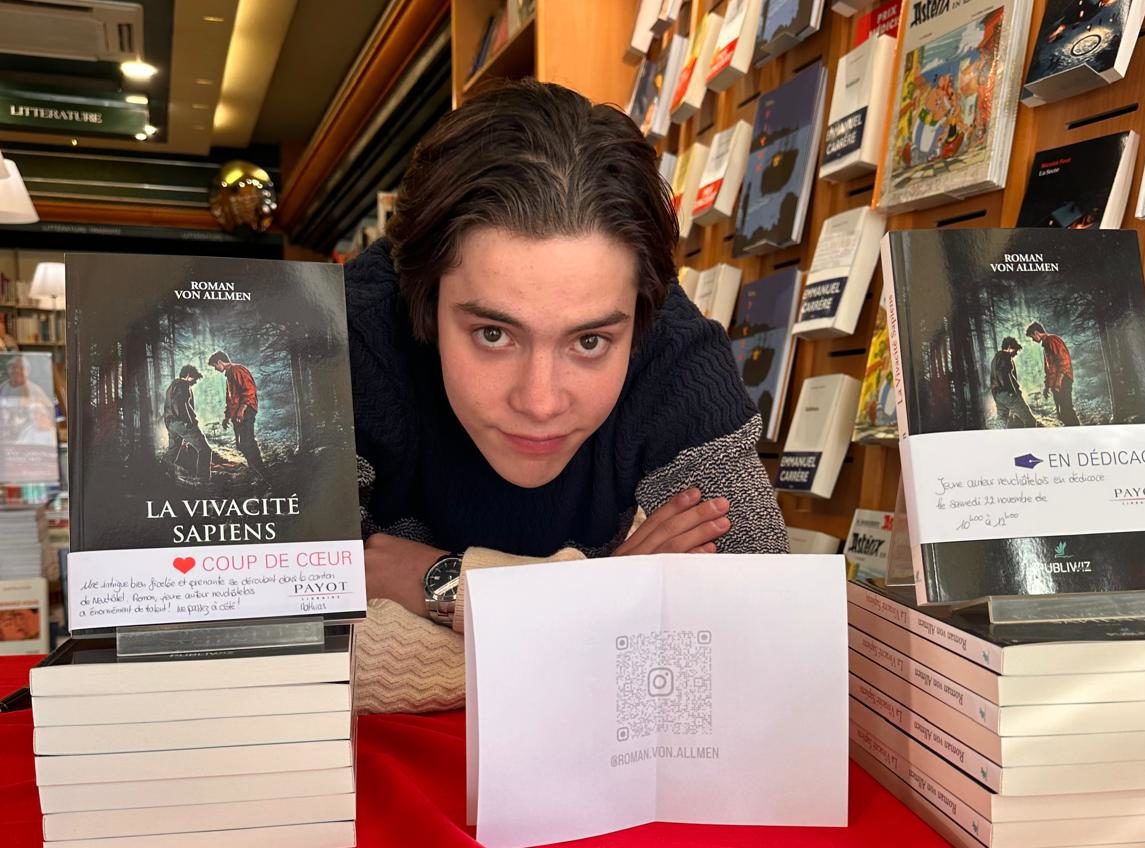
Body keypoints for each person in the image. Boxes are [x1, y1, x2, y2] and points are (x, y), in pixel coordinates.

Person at [347, 80, 788, 713]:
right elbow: (304, 648)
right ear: (424, 298)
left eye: (589, 342)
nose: (541, 402)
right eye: (493, 334)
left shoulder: (676, 355)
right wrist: (618, 600)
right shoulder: (349, 337)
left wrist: (446, 583)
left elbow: (760, 636)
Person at [207, 351, 268, 482]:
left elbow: (249, 391)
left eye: (214, 366)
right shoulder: (229, 375)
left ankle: (262, 473)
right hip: (238, 414)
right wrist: (227, 417)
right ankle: (255, 471)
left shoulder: (237, 370)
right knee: (241, 445)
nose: (215, 369)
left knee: (247, 442)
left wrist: (242, 410)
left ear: (220, 362)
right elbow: (231, 400)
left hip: (245, 411)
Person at [163, 364, 213, 483]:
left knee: (172, 452)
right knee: (205, 450)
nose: (195, 382)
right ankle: (203, 480)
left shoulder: (173, 385)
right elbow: (181, 405)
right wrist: (189, 422)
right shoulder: (183, 385)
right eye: (194, 379)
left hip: (171, 423)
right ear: (188, 376)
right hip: (182, 423)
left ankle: (162, 475)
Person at [1025, 321, 1079, 426]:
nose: (1033, 340)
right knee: (1061, 413)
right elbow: (1049, 369)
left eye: (1032, 337)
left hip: (1063, 380)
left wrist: (1058, 382)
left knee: (1066, 410)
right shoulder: (1046, 344)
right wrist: (1047, 386)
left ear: (1036, 333)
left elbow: (1064, 361)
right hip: (1057, 383)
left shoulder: (1052, 340)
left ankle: (1076, 431)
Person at [989, 336, 1037, 428]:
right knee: (1030, 421)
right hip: (1008, 394)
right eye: (1015, 350)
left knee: (1001, 423)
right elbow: (1006, 377)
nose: (1016, 353)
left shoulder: (995, 358)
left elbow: (994, 379)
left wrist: (996, 396)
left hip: (998, 395)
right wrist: (1014, 392)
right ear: (1009, 347)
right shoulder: (1005, 358)